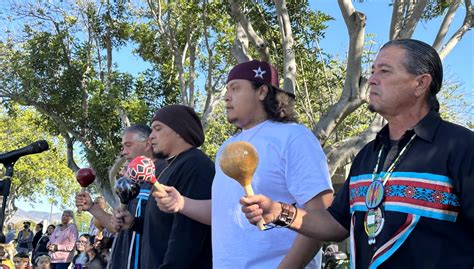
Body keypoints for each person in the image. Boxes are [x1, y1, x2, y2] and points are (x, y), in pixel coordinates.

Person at [240, 39, 474, 268]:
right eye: (372, 71)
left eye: (384, 71)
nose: (371, 79)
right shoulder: (367, 155)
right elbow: (335, 224)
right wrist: (279, 211)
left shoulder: (462, 147)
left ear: (420, 83)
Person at [155, 61, 334, 268]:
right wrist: (181, 203)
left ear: (262, 92)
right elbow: (226, 211)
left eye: (235, 88)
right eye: (227, 89)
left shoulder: (294, 137)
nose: (226, 96)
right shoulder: (227, 146)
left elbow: (322, 215)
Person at [111, 105, 214, 269]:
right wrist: (135, 223)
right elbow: (165, 225)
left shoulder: (195, 165)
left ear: (180, 130)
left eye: (157, 129)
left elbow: (189, 233)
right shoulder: (170, 166)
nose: (151, 137)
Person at [75, 124, 161, 269]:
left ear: (148, 144)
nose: (124, 152)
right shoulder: (132, 180)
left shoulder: (165, 174)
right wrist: (91, 207)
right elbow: (118, 226)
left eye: (128, 145)